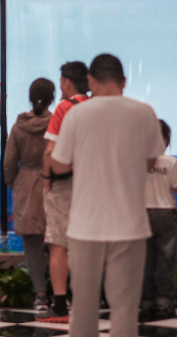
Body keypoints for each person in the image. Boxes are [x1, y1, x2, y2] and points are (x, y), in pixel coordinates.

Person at [51, 54, 165, 337]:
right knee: (125, 310)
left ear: (90, 80)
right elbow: (152, 161)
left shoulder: (77, 114)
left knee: (84, 309)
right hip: (130, 226)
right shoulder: (144, 112)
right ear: (124, 81)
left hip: (85, 226)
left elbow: (59, 164)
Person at [37, 61, 90, 322]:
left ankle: (60, 305)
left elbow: (50, 150)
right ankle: (87, 301)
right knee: (86, 244)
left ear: (67, 82)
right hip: (91, 184)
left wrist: (47, 180)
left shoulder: (64, 108)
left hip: (63, 184)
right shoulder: (94, 107)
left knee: (58, 244)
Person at [3, 78, 55, 312]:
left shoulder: (19, 126)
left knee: (32, 245)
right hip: (53, 183)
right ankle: (60, 293)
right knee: (58, 244)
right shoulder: (57, 123)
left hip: (25, 185)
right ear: (52, 98)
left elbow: (9, 162)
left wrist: (15, 184)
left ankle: (40, 295)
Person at [140, 120, 177, 318]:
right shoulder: (171, 162)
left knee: (145, 259)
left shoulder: (138, 161)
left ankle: (146, 300)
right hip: (165, 212)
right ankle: (164, 301)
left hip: (142, 212)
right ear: (166, 140)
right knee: (165, 258)